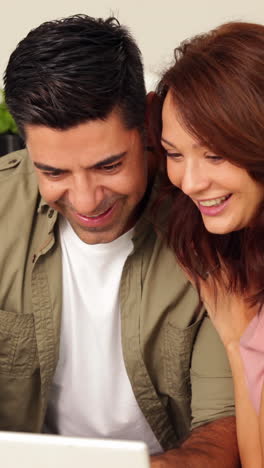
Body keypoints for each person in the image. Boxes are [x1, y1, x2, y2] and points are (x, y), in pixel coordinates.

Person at [2, 14, 239, 467]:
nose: (87, 200)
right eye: (53, 172)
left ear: (148, 121)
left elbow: (225, 433)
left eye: (109, 165)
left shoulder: (214, 223)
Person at [155, 21, 264, 467]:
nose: (192, 182)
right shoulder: (236, 268)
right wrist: (238, 340)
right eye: (175, 154)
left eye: (215, 154)